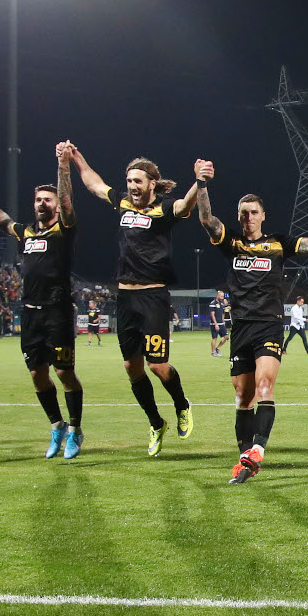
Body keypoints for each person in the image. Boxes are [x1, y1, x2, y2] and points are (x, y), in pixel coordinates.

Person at [66, 145, 203, 456]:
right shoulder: (123, 203)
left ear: (152, 183)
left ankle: (181, 404)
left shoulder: (163, 209)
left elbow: (184, 207)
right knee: (131, 366)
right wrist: (77, 158)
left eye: (137, 181)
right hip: (125, 297)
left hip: (153, 296)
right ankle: (156, 422)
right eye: (129, 181)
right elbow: (94, 184)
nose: (131, 186)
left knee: (158, 366)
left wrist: (200, 182)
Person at [196, 184, 308, 484]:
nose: (248, 217)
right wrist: (202, 185)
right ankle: (244, 460)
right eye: (243, 213)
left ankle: (257, 450)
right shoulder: (231, 242)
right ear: (238, 216)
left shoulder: (278, 243)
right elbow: (206, 219)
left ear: (263, 216)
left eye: (253, 212)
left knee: (264, 387)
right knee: (242, 397)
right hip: (241, 327)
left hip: (268, 325)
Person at [0, 143, 87, 459]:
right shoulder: (26, 233)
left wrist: (63, 166)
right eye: (38, 199)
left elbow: (68, 202)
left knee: (64, 373)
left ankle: (76, 430)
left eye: (47, 199)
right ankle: (57, 426)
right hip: (30, 314)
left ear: (57, 205)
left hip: (58, 313)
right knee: (37, 375)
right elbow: (3, 222)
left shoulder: (64, 230)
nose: (41, 203)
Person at [207, 291, 229, 357]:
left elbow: (222, 313)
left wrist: (223, 321)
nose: (222, 298)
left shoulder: (221, 304)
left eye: (223, 296)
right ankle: (213, 353)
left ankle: (218, 348)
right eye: (221, 296)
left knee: (226, 337)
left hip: (221, 323)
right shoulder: (213, 303)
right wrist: (216, 324)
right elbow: (212, 315)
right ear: (217, 295)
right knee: (214, 338)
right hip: (214, 324)